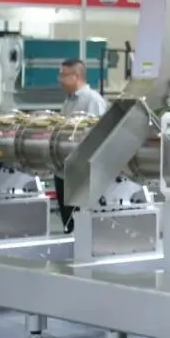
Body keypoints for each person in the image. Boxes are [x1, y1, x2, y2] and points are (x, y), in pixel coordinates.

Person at [55, 58, 109, 232]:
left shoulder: (93, 100)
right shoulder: (69, 101)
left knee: (81, 222)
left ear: (77, 76)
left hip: (81, 172)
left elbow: (98, 138)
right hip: (64, 168)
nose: (60, 80)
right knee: (68, 222)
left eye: (64, 75)